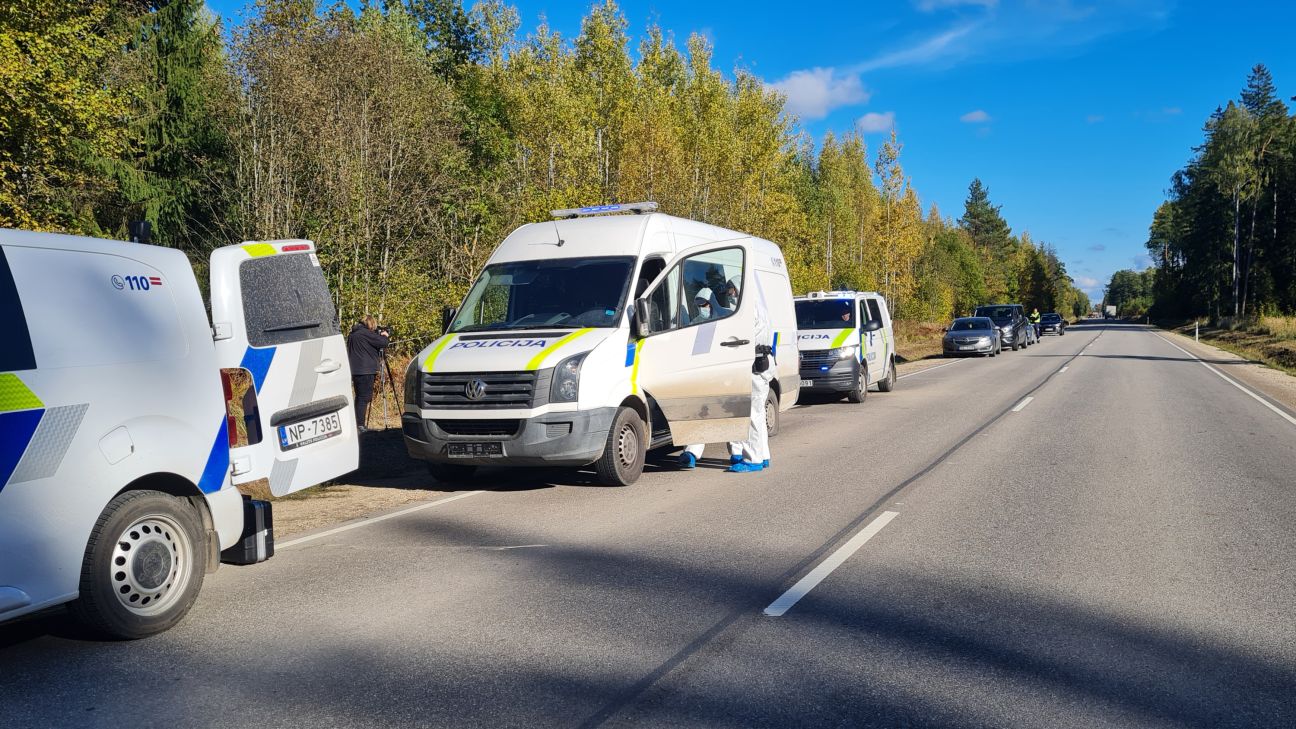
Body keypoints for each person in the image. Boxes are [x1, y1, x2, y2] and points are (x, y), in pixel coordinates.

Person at [728, 289, 774, 473]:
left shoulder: (749, 308)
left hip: (755, 365)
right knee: (759, 415)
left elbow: (742, 337)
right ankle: (763, 456)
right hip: (763, 363)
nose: (731, 296)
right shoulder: (759, 306)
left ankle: (752, 459)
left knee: (752, 415)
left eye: (732, 291)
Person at [346, 314, 391, 432]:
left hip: (355, 370)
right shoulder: (366, 334)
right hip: (366, 370)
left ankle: (358, 424)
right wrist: (385, 335)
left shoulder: (352, 334)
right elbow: (383, 343)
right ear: (370, 324)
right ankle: (360, 425)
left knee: (359, 397)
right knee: (364, 398)